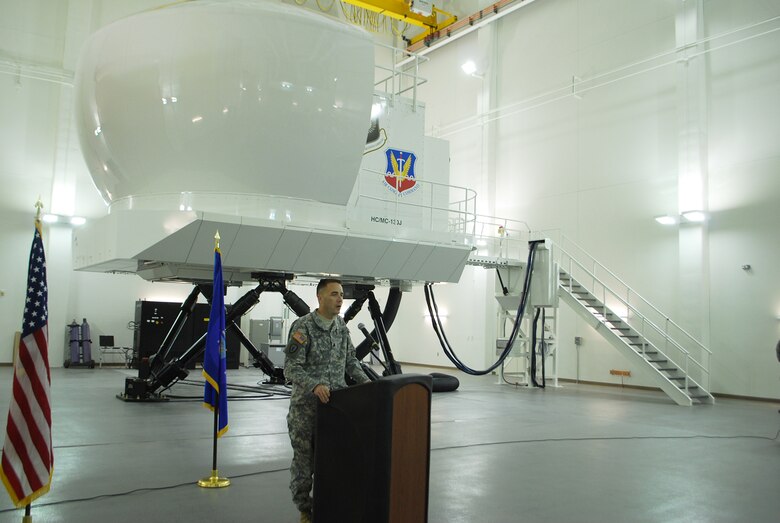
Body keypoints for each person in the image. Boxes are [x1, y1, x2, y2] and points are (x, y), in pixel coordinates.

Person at [284, 278, 370, 523]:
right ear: (320, 298)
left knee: (335, 461)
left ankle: (331, 506)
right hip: (306, 411)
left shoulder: (340, 327)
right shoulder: (303, 327)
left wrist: (366, 384)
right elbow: (290, 368)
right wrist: (315, 385)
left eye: (341, 294)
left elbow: (351, 361)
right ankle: (304, 510)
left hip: (336, 410)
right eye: (334, 294)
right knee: (304, 464)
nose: (340, 299)